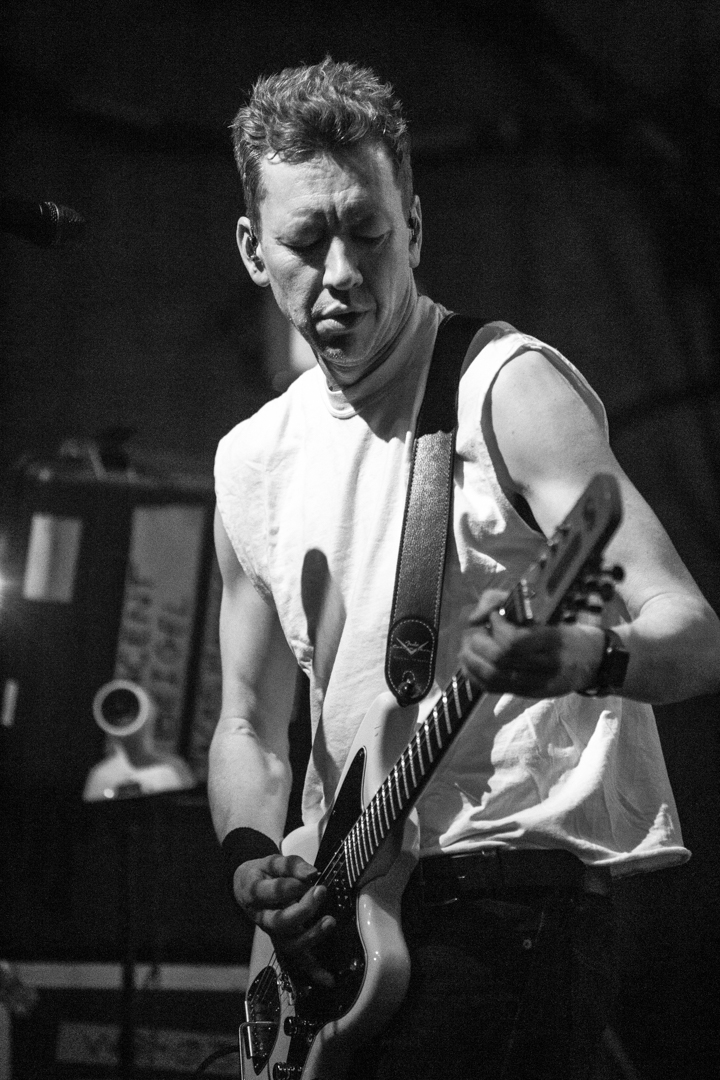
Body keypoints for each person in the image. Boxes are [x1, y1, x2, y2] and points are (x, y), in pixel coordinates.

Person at [208, 58, 720, 1079]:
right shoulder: (251, 460)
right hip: (339, 935)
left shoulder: (505, 387)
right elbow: (247, 726)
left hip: (506, 915)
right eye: (307, 241)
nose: (342, 271)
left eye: (368, 232)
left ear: (415, 226)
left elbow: (693, 635)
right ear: (254, 250)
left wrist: (589, 656)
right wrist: (255, 867)